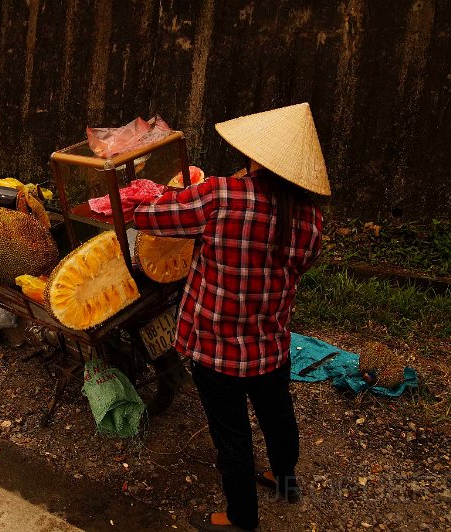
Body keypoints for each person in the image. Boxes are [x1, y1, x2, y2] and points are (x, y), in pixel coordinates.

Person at [133, 103, 330, 531]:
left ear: (255, 155)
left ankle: (241, 519)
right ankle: (284, 481)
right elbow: (299, 265)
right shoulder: (311, 220)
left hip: (216, 349)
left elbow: (150, 217)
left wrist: (150, 196)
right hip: (271, 346)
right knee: (277, 415)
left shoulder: (221, 194)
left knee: (232, 435)